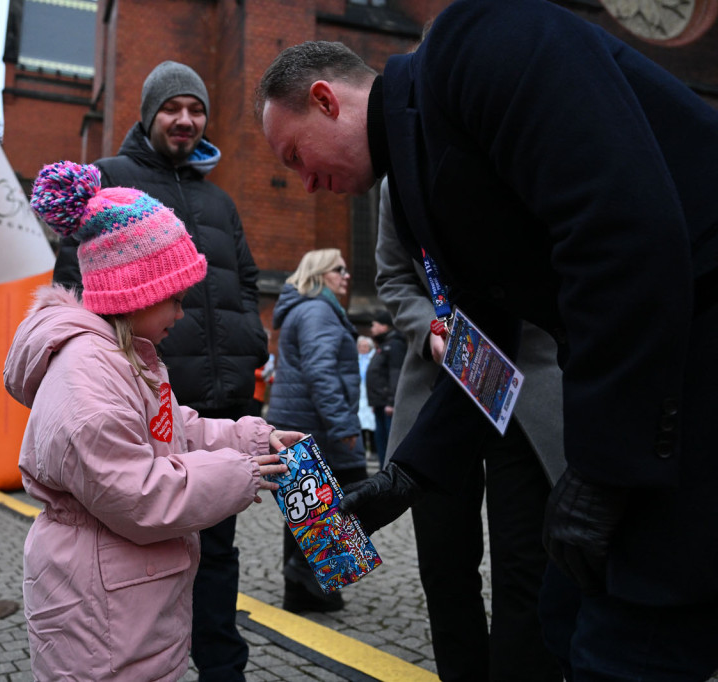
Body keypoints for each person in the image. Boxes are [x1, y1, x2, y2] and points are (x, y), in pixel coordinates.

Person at [256, 2, 718, 677]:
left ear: (325, 100)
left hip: (689, 355)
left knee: (625, 639)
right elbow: (487, 342)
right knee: (564, 610)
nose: (305, 182)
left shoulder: (481, 40)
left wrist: (603, 470)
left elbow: (629, 240)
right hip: (662, 365)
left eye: (296, 156)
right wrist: (405, 477)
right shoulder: (414, 184)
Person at [7, 160, 297, 681]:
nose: (182, 316)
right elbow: (138, 493)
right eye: (176, 300)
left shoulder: (123, 358)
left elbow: (173, 429)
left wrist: (255, 438)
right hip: (102, 616)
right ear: (134, 293)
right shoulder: (88, 375)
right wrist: (243, 473)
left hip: (122, 600)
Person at [53, 60, 270, 680]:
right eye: (172, 107)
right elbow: (74, 289)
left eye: (196, 109)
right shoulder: (111, 179)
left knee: (219, 559)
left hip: (222, 403)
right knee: (150, 556)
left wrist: (250, 340)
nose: (185, 119)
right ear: (149, 114)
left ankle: (222, 671)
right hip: (148, 407)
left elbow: (248, 279)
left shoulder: (220, 198)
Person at [376, 176, 563, 681]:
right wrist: (432, 332)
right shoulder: (400, 181)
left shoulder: (515, 148)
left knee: (524, 569)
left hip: (526, 392)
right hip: (437, 394)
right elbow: (394, 278)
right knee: (444, 570)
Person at [266, 249, 369, 613]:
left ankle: (308, 592)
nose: (346, 276)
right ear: (321, 273)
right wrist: (343, 423)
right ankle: (304, 574)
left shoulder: (307, 308)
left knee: (305, 507)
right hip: (318, 428)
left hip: (302, 424)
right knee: (357, 494)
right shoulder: (318, 310)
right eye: (340, 269)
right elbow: (320, 370)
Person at [364, 310, 405, 468]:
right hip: (380, 403)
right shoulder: (384, 344)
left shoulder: (395, 345)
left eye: (374, 325)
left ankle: (389, 473)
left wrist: (391, 401)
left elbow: (395, 374)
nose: (372, 329)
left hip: (388, 405)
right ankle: (383, 471)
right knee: (380, 442)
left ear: (384, 326)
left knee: (389, 443)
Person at [355, 336, 375, 458]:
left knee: (371, 424)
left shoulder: (372, 359)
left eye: (365, 346)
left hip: (369, 394)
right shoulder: (355, 359)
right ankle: (362, 449)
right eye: (360, 346)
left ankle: (373, 450)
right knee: (360, 422)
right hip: (359, 395)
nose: (362, 348)